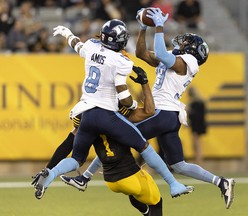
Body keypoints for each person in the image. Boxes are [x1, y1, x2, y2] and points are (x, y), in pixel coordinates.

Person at [63, 8, 236, 209]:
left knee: (116, 134)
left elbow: (161, 52)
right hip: (169, 117)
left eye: (187, 44)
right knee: (178, 165)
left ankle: (85, 177)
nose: (182, 44)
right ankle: (221, 182)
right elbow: (142, 53)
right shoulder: (176, 59)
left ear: (193, 52)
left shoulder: (187, 62)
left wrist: (160, 26)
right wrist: (144, 27)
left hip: (163, 112)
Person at [33, 18, 192, 200]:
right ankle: (173, 184)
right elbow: (122, 94)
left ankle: (51, 175)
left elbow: (77, 45)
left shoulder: (92, 46)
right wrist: (132, 104)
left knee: (77, 158)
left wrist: (67, 33)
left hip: (87, 112)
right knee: (144, 146)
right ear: (120, 40)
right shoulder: (120, 60)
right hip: (105, 114)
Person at [187, 86, 207, 165]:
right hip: (200, 124)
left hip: (196, 125)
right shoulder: (201, 102)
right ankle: (198, 159)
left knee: (196, 144)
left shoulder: (195, 103)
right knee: (197, 144)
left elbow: (195, 115)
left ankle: (199, 160)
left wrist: (189, 112)